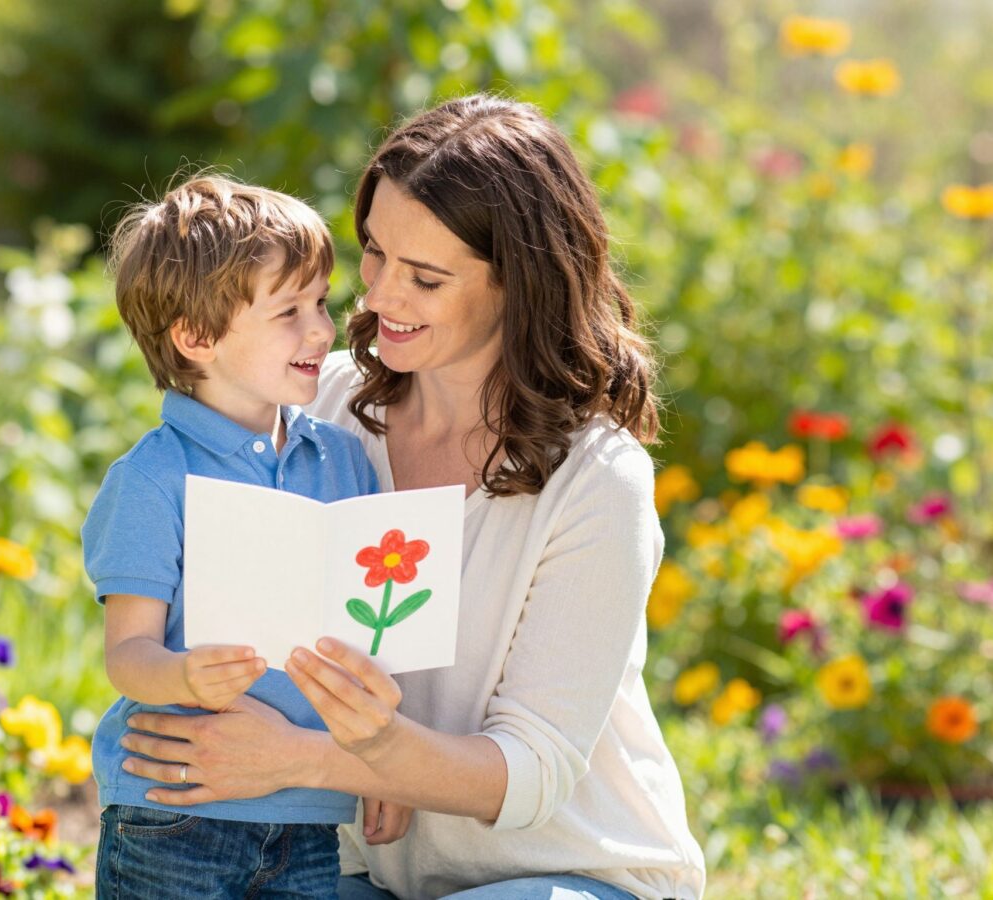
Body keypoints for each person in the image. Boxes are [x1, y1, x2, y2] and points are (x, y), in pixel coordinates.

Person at [117, 96, 707, 900]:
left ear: (519, 285)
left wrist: (327, 761)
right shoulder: (320, 410)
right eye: (374, 253)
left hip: (567, 873)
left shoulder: (597, 479)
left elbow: (530, 771)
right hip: (372, 875)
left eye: (426, 278)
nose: (379, 298)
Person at [81, 173, 410, 899]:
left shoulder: (341, 459)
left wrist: (383, 764)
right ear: (196, 337)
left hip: (308, 818)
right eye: (288, 311)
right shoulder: (153, 478)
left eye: (319, 302)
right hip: (175, 811)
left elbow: (369, 639)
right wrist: (184, 677)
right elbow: (128, 655)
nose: (320, 331)